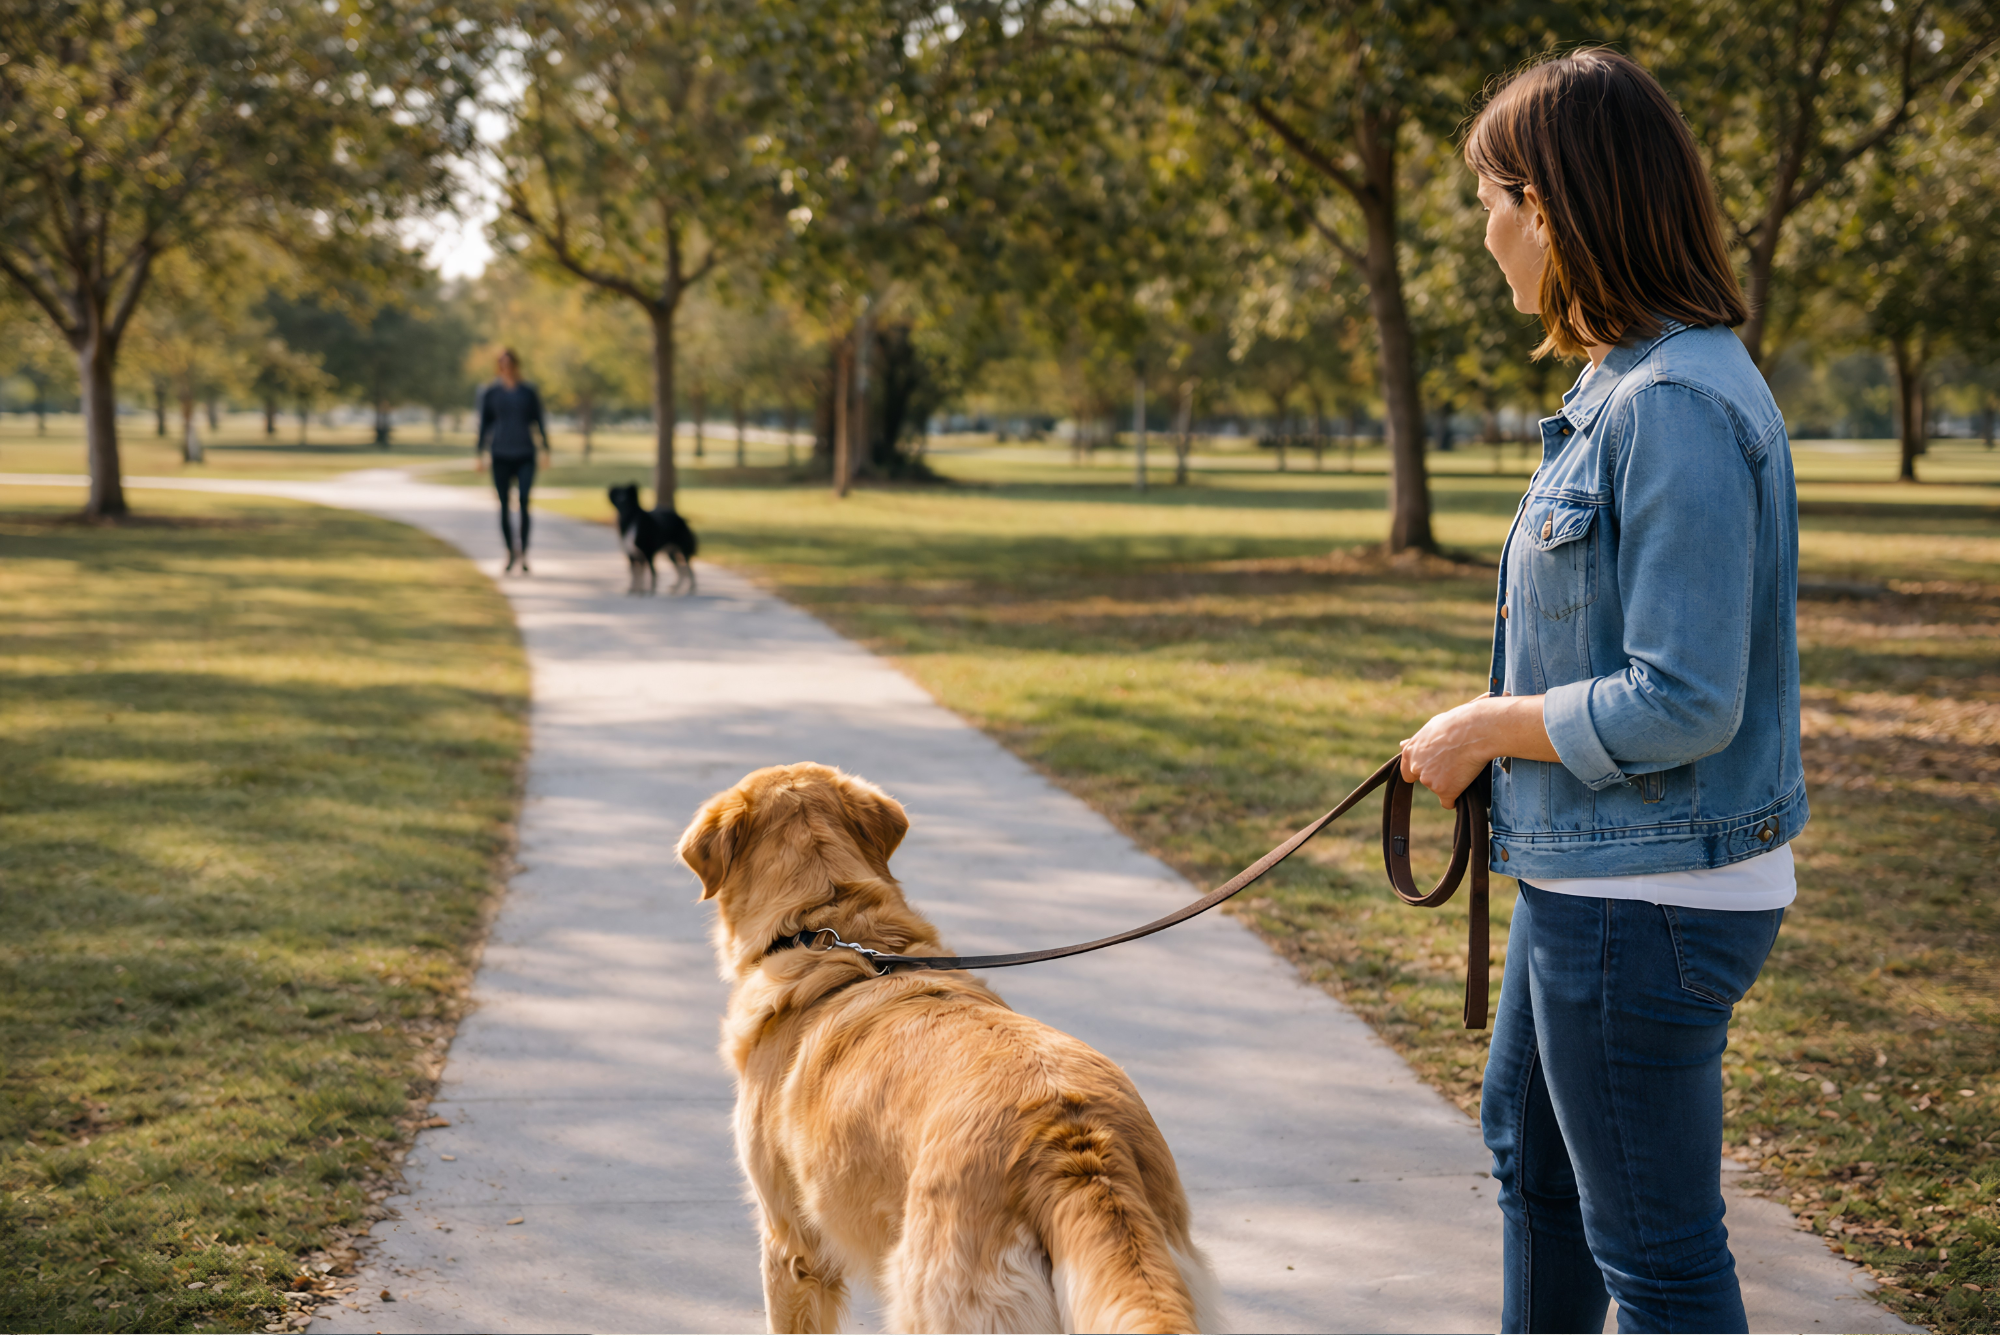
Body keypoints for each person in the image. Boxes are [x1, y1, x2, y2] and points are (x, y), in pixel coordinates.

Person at [1397, 51, 1805, 1335]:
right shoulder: (1624, 384)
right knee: (1533, 1160)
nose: (1484, 231)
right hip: (1599, 875)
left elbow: (1685, 699)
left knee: (1659, 1261)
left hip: (1649, 898)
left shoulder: (1672, 402)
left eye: (1493, 198)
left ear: (1558, 208)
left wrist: (1485, 729)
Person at [475, 348, 552, 574]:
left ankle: (524, 552)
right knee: (504, 506)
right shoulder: (490, 392)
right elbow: (484, 425)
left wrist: (546, 448)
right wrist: (479, 453)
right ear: (498, 365)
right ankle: (510, 552)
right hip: (500, 454)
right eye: (502, 362)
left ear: (516, 365)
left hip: (525, 454)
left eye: (509, 362)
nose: (506, 366)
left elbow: (538, 420)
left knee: (525, 502)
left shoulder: (528, 392)